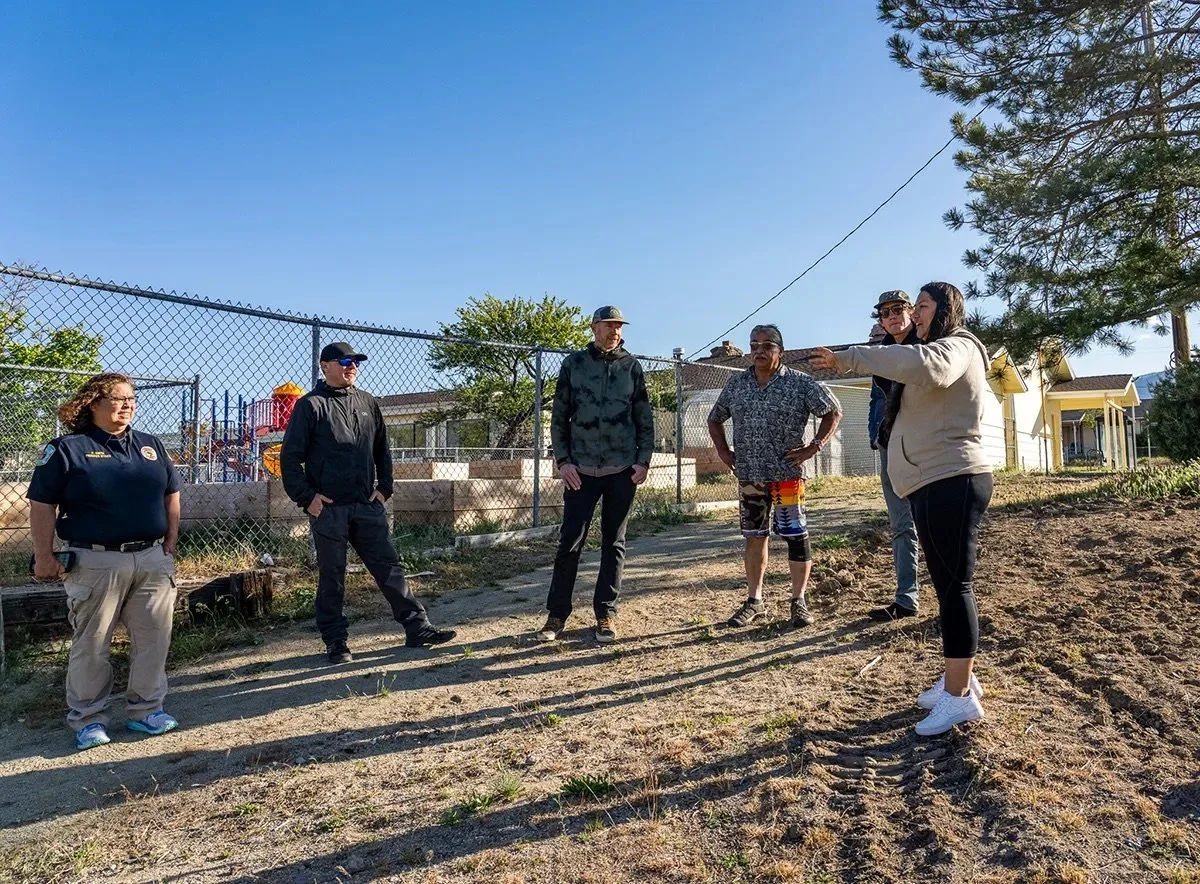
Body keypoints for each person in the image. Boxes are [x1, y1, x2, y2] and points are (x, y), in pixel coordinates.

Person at [809, 282, 993, 736]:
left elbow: (928, 365)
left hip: (953, 479)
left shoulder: (958, 347)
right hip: (933, 480)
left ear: (943, 308)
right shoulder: (933, 350)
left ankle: (958, 700)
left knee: (954, 590)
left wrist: (852, 356)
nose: (917, 316)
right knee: (949, 585)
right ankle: (960, 680)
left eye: (923, 307)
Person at [28, 373, 182, 751]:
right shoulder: (67, 449)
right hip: (95, 561)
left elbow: (171, 492)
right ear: (93, 403)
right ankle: (89, 720)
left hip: (150, 558)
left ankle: (146, 710)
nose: (127, 404)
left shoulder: (150, 446)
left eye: (131, 398)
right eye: (118, 398)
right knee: (92, 642)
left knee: (154, 637)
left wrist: (171, 537)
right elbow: (41, 504)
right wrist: (44, 555)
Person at [281, 341, 455, 664]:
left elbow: (382, 451)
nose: (352, 366)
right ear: (325, 366)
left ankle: (418, 627)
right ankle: (336, 642)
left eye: (356, 361)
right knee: (332, 575)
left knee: (389, 568)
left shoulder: (368, 403)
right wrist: (308, 499)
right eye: (344, 361)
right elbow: (289, 459)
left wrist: (384, 489)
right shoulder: (311, 406)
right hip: (329, 509)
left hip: (366, 505)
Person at [706, 324, 842, 630]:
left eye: (767, 346)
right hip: (751, 475)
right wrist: (724, 452)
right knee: (755, 538)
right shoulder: (737, 384)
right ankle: (754, 600)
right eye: (754, 345)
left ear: (779, 350)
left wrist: (814, 447)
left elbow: (832, 412)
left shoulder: (800, 384)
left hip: (787, 476)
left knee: (795, 536)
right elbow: (714, 418)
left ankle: (799, 601)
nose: (759, 351)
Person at [536, 306, 654, 644]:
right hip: (581, 471)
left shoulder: (631, 367)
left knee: (614, 542)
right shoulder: (573, 365)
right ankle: (556, 615)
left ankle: (606, 613)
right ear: (593, 328)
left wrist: (642, 461)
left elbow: (643, 417)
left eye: (619, 326)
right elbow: (559, 417)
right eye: (609, 325)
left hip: (621, 470)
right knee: (570, 540)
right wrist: (564, 461)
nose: (615, 331)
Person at [865, 290, 923, 621]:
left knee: (933, 525)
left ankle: (952, 598)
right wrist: (877, 437)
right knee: (901, 524)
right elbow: (877, 399)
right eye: (884, 313)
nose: (891, 316)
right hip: (892, 448)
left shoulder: (928, 344)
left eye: (898, 309)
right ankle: (906, 599)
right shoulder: (880, 355)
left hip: (925, 447)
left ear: (912, 311)